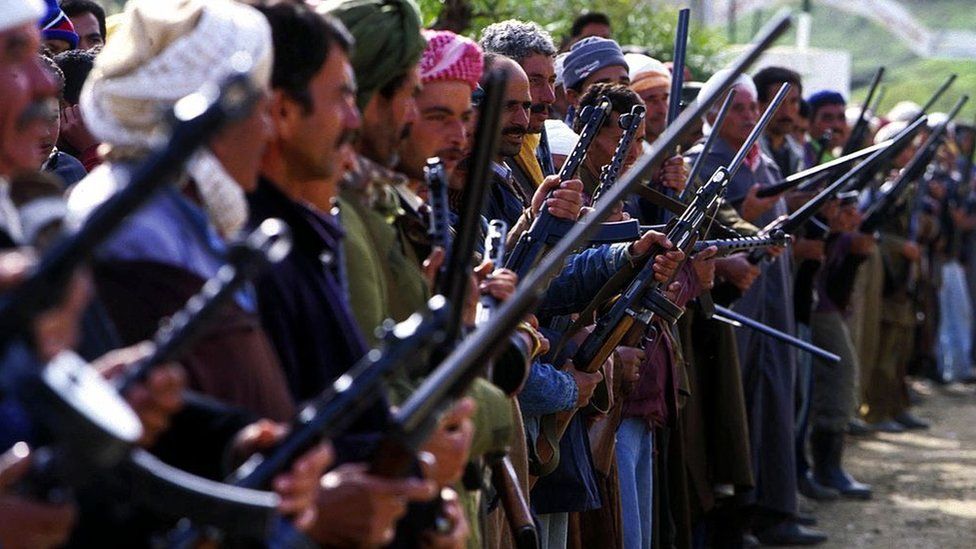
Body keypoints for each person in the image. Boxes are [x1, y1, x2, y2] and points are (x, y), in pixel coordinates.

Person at [686, 71, 827, 546]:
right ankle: (735, 519)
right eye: (739, 108)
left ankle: (776, 508)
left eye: (752, 108)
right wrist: (743, 220)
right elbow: (697, 239)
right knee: (736, 408)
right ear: (711, 115)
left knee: (776, 399)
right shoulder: (700, 164)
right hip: (734, 308)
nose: (750, 116)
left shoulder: (763, 162)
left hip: (775, 305)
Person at [479, 19, 559, 196]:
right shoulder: (476, 164)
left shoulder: (536, 150)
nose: (550, 96)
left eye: (552, 81)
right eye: (534, 81)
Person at [805, 90, 847, 165]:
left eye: (841, 118)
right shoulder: (804, 157)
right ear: (809, 123)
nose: (837, 125)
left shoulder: (836, 157)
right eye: (828, 118)